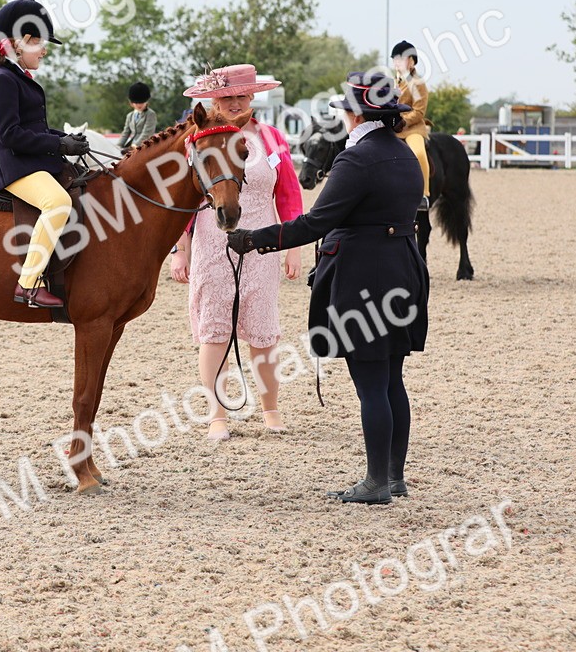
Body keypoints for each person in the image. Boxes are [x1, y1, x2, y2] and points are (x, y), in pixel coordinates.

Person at [226, 71, 429, 504]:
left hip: (367, 275)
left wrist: (256, 239)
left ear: (355, 115)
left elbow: (316, 222)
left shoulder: (356, 160)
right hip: (404, 269)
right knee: (392, 377)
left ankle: (376, 484)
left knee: (371, 382)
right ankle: (393, 476)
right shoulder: (405, 155)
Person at [169, 64, 303, 440]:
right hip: (212, 241)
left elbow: (288, 192)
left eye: (241, 96)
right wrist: (179, 250)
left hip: (264, 243)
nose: (235, 103)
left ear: (252, 98)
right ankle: (217, 414)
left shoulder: (272, 138)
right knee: (215, 330)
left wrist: (292, 247)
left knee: (264, 331)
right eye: (227, 97)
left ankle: (270, 409)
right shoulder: (197, 138)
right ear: (213, 98)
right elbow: (182, 198)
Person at [0, 0, 90, 308]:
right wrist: (57, 145)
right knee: (58, 203)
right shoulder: (1, 80)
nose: (44, 50)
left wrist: (65, 138)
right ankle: (28, 283)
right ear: (23, 41)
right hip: (12, 166)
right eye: (40, 43)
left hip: (28, 160)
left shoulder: (16, 77)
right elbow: (11, 135)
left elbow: (34, 129)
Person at [390, 40, 431, 214]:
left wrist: (404, 121)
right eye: (395, 59)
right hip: (391, 128)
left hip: (412, 128)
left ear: (411, 62)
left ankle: (423, 194)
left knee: (419, 153)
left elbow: (419, 111)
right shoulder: (391, 82)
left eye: (401, 58)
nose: (397, 62)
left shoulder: (417, 83)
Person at [118, 82, 157, 150]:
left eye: (141, 102)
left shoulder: (151, 114)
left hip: (145, 147)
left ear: (146, 101)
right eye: (136, 103)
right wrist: (118, 146)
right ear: (131, 103)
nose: (139, 105)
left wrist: (135, 145)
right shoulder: (129, 116)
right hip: (131, 147)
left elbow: (147, 133)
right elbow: (125, 133)